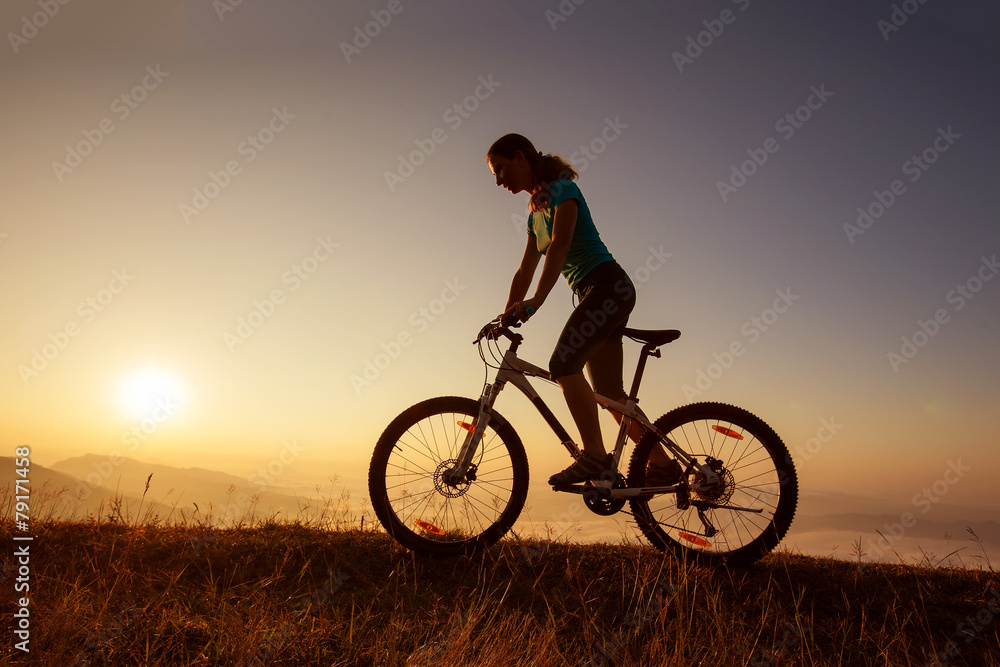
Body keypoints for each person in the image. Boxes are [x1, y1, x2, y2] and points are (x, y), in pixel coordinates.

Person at [486, 132, 670, 486]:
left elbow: (561, 244)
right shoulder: (535, 211)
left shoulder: (562, 190)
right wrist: (505, 313)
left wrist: (537, 301)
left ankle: (596, 457)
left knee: (562, 364)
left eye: (501, 169)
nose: (499, 180)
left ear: (520, 158)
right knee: (612, 398)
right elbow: (525, 268)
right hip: (594, 293)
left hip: (608, 286)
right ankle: (663, 465)